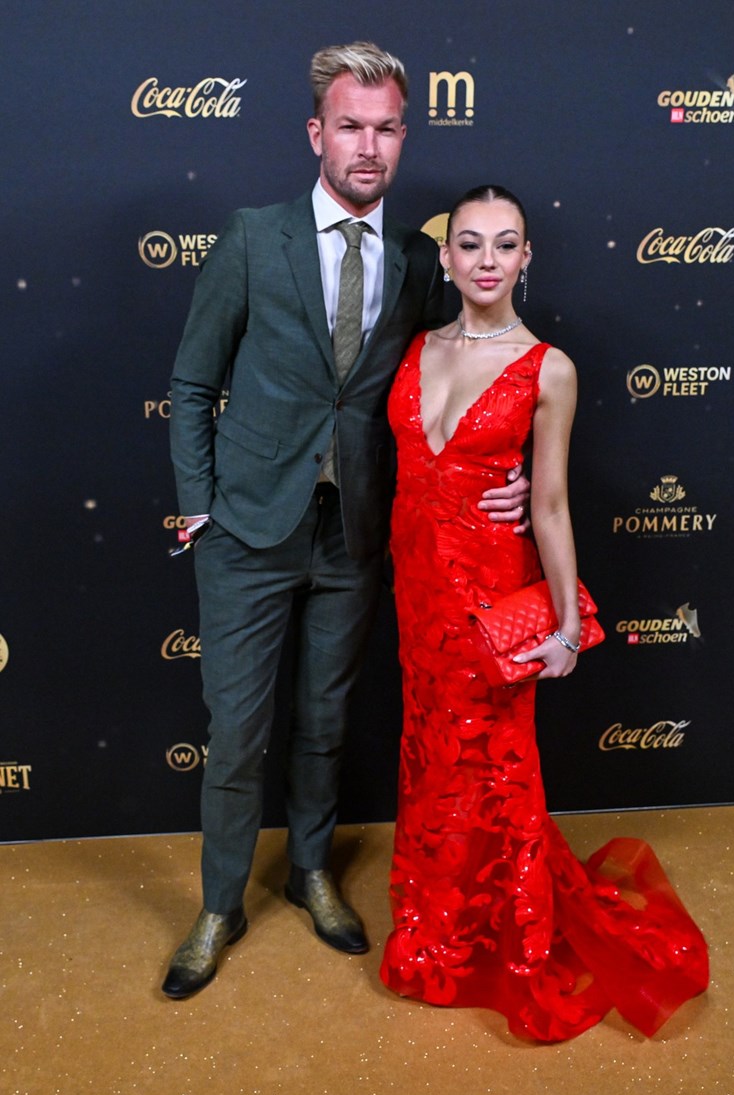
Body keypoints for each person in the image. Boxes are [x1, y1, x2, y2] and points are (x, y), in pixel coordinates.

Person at [162, 46, 529, 1000]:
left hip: (356, 533)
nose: (368, 146)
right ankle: (218, 905)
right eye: (351, 126)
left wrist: (514, 467)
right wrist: (199, 506)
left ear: (403, 137)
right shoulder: (253, 238)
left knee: (324, 723)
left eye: (386, 128)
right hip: (247, 532)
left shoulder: (417, 259)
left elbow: (465, 369)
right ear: (316, 133)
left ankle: (310, 872)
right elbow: (193, 382)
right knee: (237, 733)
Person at [379, 185, 709, 1041]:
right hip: (417, 593)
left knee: (499, 771)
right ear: (445, 256)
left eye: (505, 244)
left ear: (526, 257)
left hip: (490, 591)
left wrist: (564, 626)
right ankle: (435, 928)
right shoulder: (412, 348)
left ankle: (513, 942)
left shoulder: (546, 366)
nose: (486, 260)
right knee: (432, 761)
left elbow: (551, 503)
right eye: (470, 243)